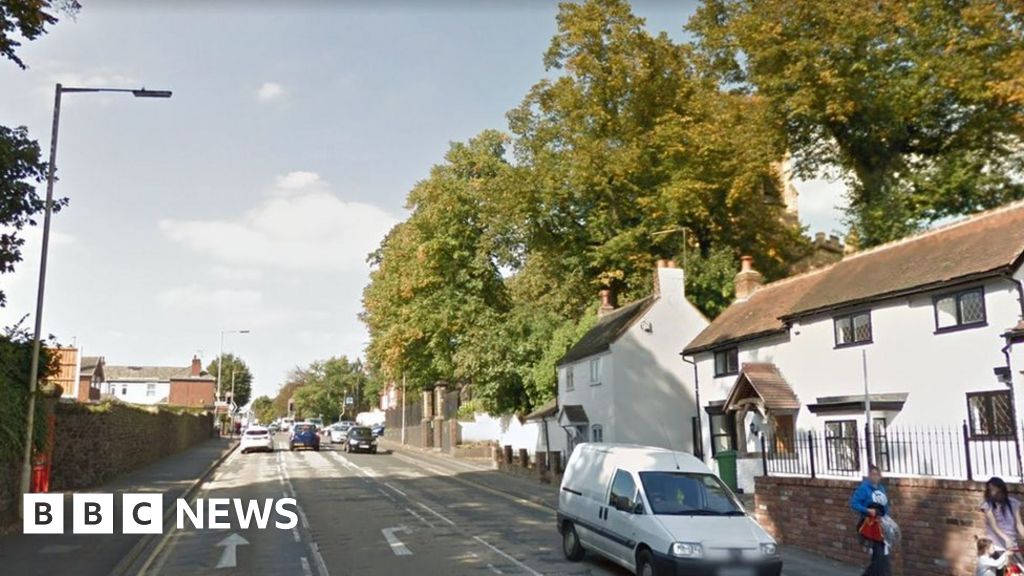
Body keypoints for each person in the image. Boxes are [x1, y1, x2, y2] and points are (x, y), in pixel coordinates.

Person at [850, 465, 891, 576]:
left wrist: (886, 517)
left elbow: (885, 505)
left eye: (877, 474)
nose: (876, 477)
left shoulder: (881, 488)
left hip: (881, 524)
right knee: (879, 554)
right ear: (869, 475)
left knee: (880, 554)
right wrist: (867, 510)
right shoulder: (864, 488)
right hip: (870, 525)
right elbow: (854, 504)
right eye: (873, 474)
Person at [982, 477, 1024, 554]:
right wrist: (1006, 539)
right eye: (991, 490)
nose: (993, 493)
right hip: (996, 546)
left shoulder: (1013, 503)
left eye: (996, 490)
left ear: (1002, 490)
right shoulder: (988, 505)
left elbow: (1019, 524)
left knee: (1019, 565)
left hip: (1012, 543)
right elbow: (994, 526)